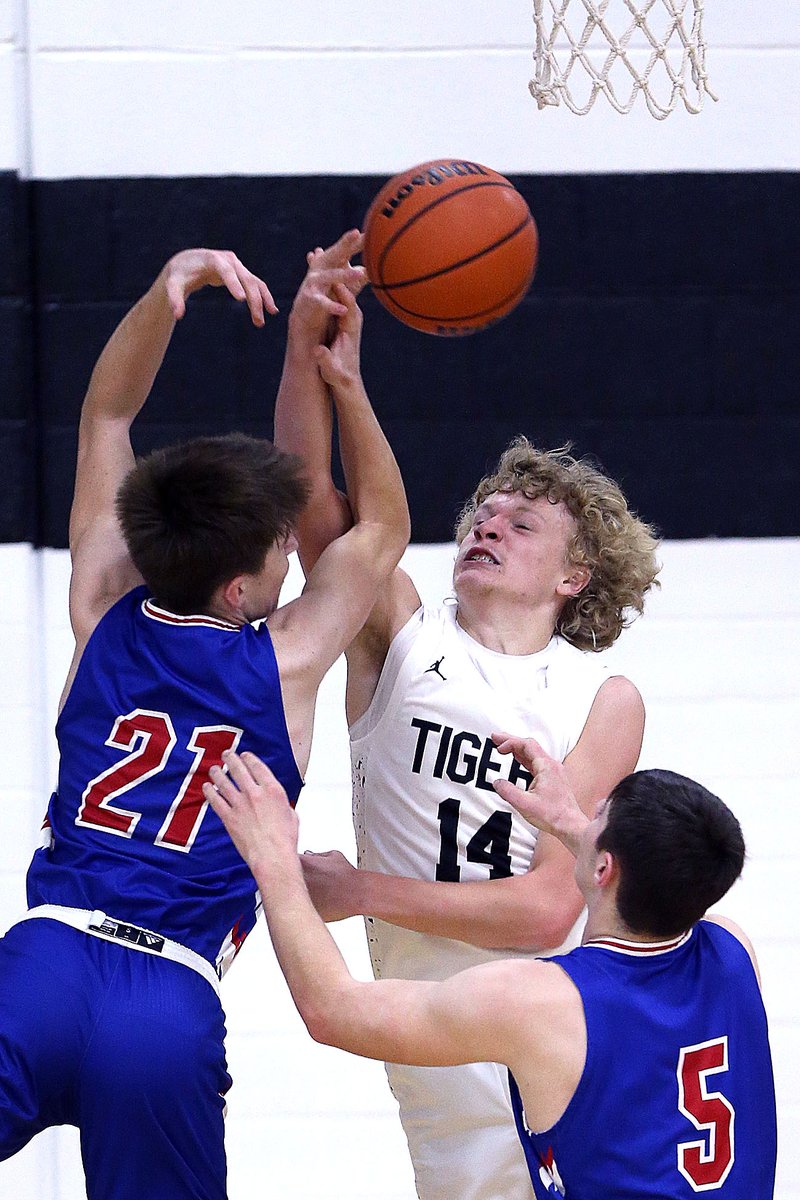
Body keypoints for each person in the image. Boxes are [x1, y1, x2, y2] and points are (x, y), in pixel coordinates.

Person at [0, 246, 409, 1200]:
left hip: (44, 962)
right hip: (166, 1001)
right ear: (241, 589)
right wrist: (344, 384)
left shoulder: (101, 605)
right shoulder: (288, 659)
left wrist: (163, 293)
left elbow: (108, 413)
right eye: (277, 545)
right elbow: (380, 531)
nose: (287, 551)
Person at [274, 233, 661, 1198]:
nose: (486, 522)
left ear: (575, 577)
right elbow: (313, 502)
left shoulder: (602, 700)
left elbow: (544, 909)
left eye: (521, 522)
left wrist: (360, 889)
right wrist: (314, 359)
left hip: (551, 1032)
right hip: (435, 1041)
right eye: (485, 510)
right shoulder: (400, 632)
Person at [204, 741, 778, 1199]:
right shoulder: (734, 952)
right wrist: (571, 824)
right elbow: (661, 881)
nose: (587, 814)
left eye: (598, 813)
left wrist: (272, 857)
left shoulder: (545, 1002)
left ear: (605, 867)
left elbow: (336, 1009)